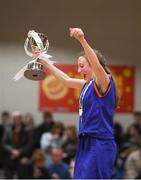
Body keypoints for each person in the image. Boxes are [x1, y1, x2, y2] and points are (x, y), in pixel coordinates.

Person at [34, 28, 119, 179]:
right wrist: (44, 61)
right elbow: (66, 80)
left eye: (82, 66)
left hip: (100, 143)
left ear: (93, 64)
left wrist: (82, 40)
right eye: (78, 66)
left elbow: (97, 66)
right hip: (86, 141)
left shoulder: (104, 81)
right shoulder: (86, 85)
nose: (79, 70)